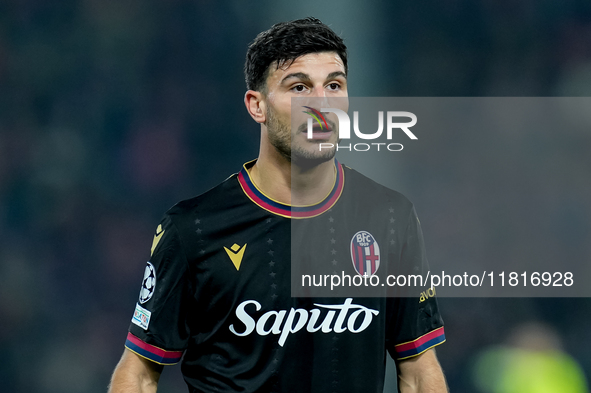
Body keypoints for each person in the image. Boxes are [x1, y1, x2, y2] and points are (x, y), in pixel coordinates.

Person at [108, 17, 447, 393]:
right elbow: (138, 374)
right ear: (257, 106)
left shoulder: (390, 217)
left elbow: (417, 370)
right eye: (299, 87)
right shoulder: (194, 229)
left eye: (334, 85)